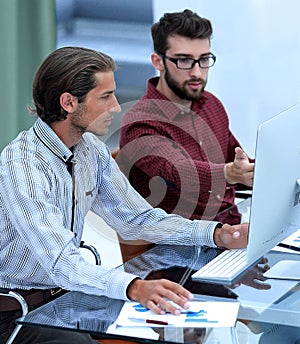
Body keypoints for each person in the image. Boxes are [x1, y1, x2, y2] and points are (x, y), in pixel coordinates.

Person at [0, 46, 248, 343]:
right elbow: (61, 263)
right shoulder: (22, 166)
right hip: (16, 312)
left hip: (67, 299)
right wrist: (133, 286)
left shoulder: (91, 151)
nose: (116, 106)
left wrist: (217, 234)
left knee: (175, 327)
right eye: (105, 96)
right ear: (68, 102)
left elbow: (138, 220)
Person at [118, 9, 254, 227]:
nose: (197, 73)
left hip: (231, 228)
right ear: (158, 62)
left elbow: (239, 164)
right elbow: (177, 171)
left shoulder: (211, 104)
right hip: (179, 248)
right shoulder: (141, 123)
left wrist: (275, 167)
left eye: (204, 60)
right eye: (184, 61)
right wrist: (229, 173)